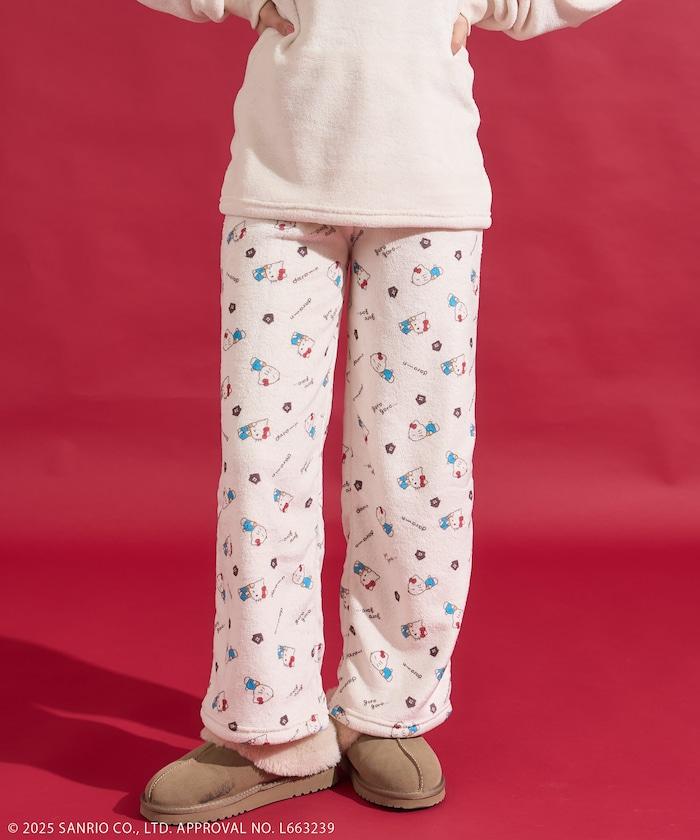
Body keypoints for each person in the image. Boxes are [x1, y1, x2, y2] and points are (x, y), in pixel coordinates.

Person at [135, 0, 622, 823]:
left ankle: (387, 710)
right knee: (263, 468)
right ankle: (271, 728)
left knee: (413, 472)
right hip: (282, 182)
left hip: (428, 194)